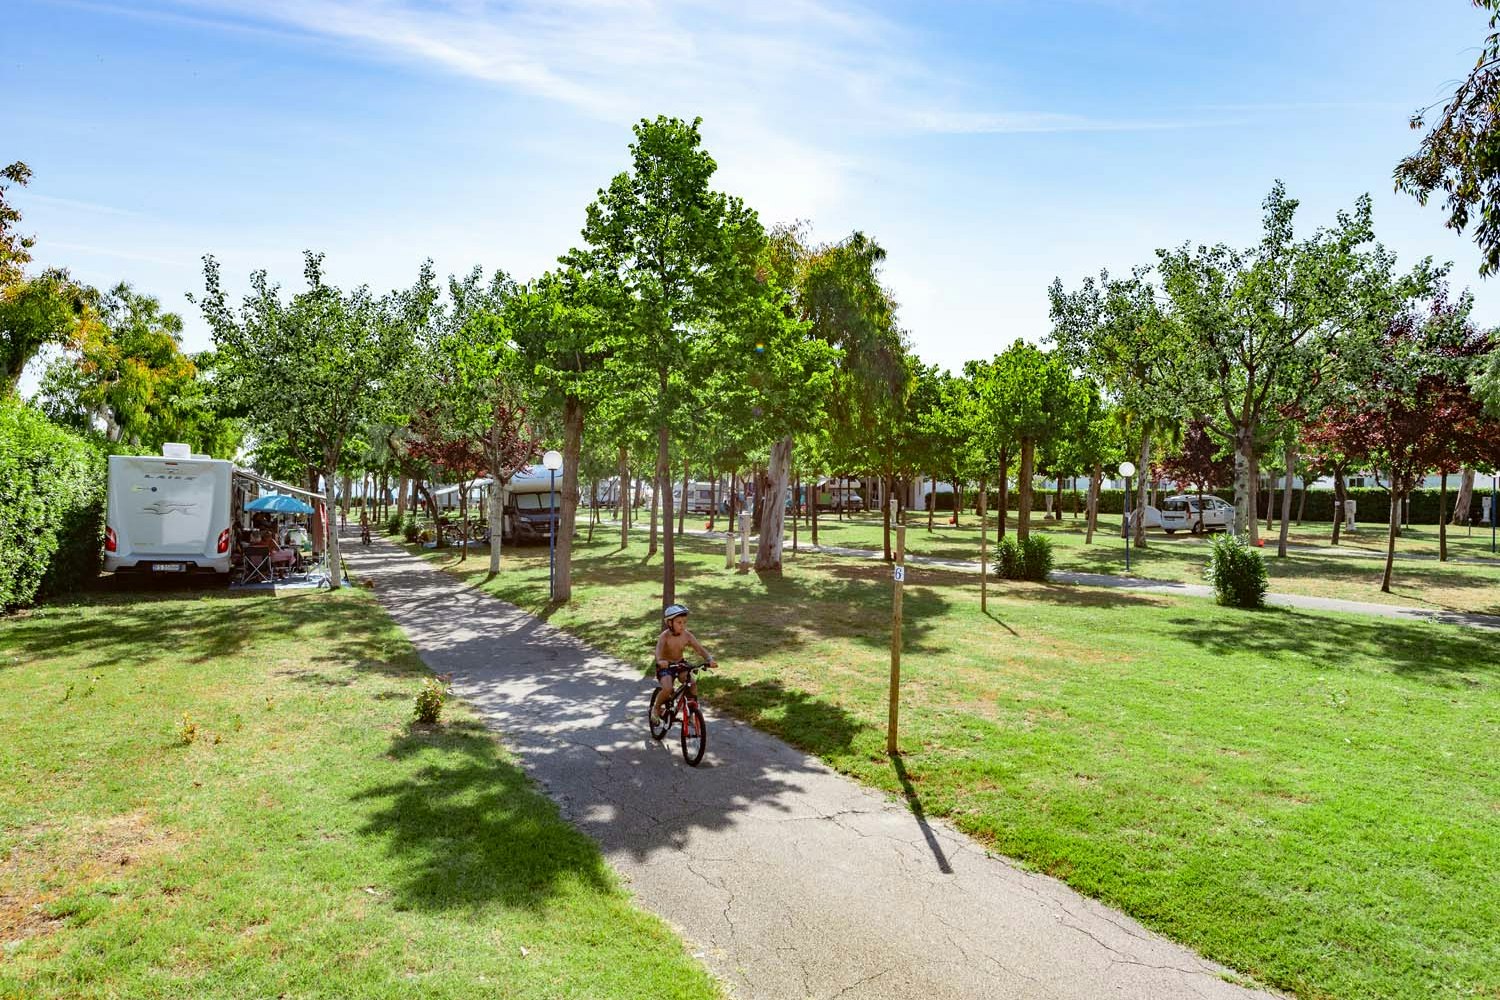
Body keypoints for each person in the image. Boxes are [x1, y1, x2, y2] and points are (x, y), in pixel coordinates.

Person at [652, 604, 715, 722]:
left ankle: (692, 711)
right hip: (666, 666)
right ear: (670, 623)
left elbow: (700, 649)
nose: (683, 626)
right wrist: (660, 661)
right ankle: (656, 708)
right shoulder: (664, 636)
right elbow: (658, 651)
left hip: (680, 664)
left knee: (692, 683)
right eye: (679, 623)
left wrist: (709, 659)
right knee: (667, 689)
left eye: (684, 622)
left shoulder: (687, 635)